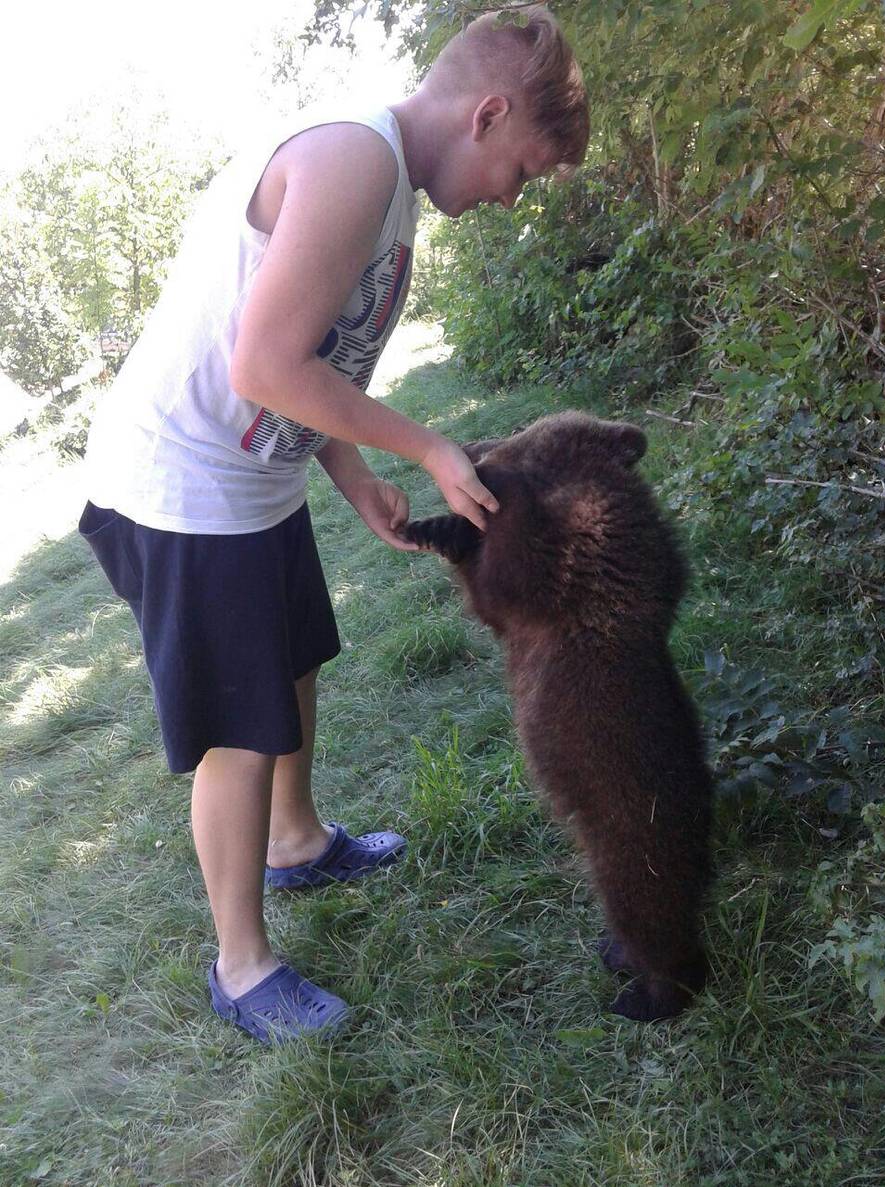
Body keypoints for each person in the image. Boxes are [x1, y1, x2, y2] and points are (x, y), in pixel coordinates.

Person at [79, 4, 589, 1044]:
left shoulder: (390, 182)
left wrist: (351, 477)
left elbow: (314, 361)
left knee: (295, 659)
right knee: (239, 724)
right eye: (521, 172)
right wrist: (426, 447)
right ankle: (240, 966)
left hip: (251, 476)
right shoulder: (355, 159)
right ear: (488, 114)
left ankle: (297, 842)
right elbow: (263, 364)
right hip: (181, 485)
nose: (510, 198)